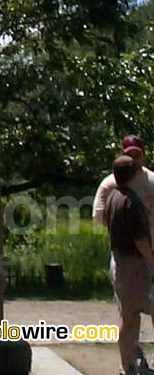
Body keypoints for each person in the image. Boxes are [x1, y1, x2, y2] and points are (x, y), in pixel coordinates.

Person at [105, 155, 154, 375]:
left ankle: (127, 366)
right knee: (133, 316)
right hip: (134, 265)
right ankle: (130, 366)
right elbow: (141, 239)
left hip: (120, 261)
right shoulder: (131, 202)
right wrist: (152, 261)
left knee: (128, 316)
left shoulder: (113, 197)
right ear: (133, 174)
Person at [94, 136, 154, 237]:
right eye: (129, 155)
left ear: (144, 155)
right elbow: (98, 214)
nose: (134, 159)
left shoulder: (152, 180)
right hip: (124, 249)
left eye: (137, 155)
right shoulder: (110, 183)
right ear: (121, 156)